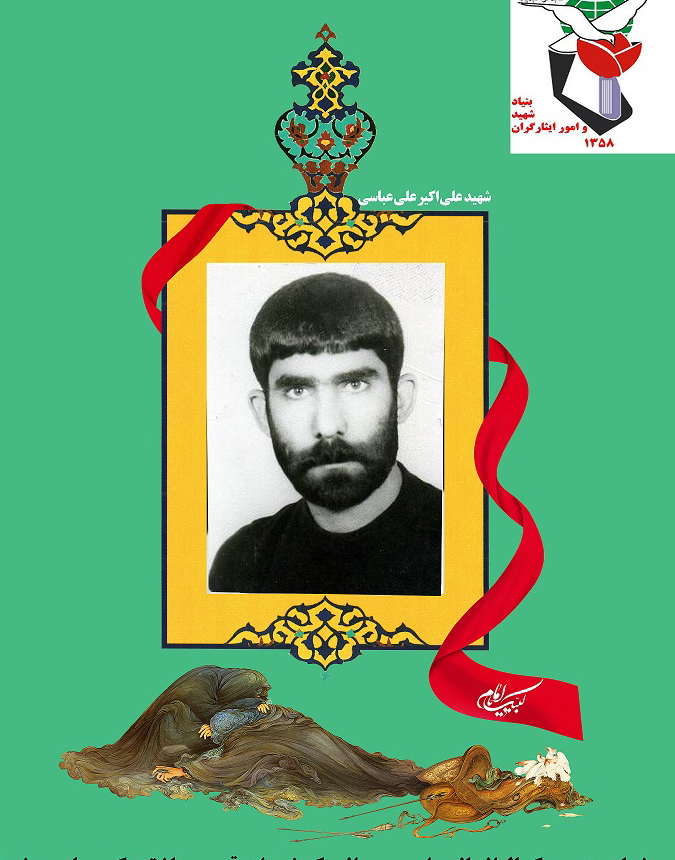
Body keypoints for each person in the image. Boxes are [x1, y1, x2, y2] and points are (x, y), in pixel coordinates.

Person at [209, 272, 442, 595]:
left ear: (400, 400)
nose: (328, 426)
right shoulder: (242, 563)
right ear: (264, 413)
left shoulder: (470, 544)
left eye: (355, 384)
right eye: (297, 391)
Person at [60, 665, 424, 818]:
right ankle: (405, 778)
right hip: (303, 737)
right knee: (357, 765)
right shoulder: (264, 711)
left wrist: (185, 772)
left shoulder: (241, 731)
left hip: (299, 743)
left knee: (349, 768)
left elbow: (233, 763)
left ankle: (405, 780)